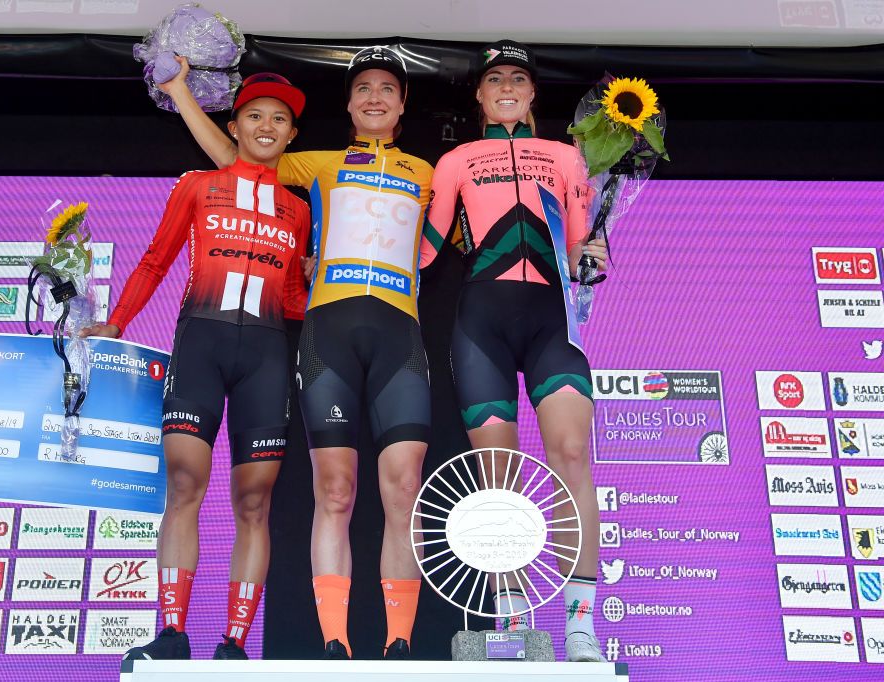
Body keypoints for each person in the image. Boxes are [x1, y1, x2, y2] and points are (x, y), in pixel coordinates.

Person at [160, 46, 433, 660]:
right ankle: (334, 643)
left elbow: (438, 238)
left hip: (400, 336)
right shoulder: (318, 163)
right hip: (328, 333)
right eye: (362, 87)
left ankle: (401, 645)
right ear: (349, 104)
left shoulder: (428, 172)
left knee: (404, 488)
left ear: (403, 104)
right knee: (334, 490)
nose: (374, 97)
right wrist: (180, 94)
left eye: (387, 88)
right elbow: (235, 160)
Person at [81, 73, 311, 661]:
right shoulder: (198, 184)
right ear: (233, 127)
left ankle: (234, 642)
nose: (266, 126)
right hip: (201, 347)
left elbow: (290, 301)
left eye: (279, 119)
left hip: (266, 356)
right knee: (184, 484)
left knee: (255, 502)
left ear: (292, 135)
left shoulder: (296, 207)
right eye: (254, 115)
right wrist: (118, 322)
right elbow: (157, 259)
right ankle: (173, 632)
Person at [420, 40, 608, 663]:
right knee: (498, 479)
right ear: (478, 94)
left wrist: (595, 257)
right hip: (481, 321)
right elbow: (425, 249)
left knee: (571, 455)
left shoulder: (567, 156)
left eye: (517, 78)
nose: (505, 86)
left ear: (532, 94)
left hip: (551, 320)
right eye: (494, 77)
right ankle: (513, 622)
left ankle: (581, 626)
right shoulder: (457, 161)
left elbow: (585, 246)